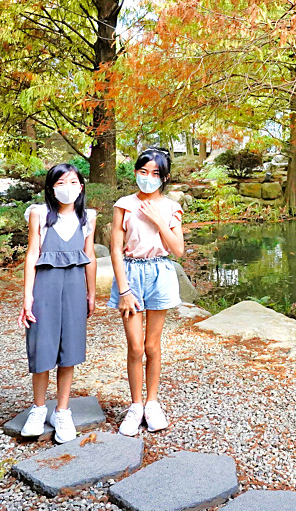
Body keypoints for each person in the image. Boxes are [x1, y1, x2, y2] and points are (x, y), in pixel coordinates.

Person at [17, 163, 98, 442]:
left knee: (70, 349)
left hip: (75, 288)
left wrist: (91, 293)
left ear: (81, 186)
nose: (68, 188)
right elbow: (31, 255)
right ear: (51, 188)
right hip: (45, 288)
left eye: (73, 182)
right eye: (61, 183)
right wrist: (27, 296)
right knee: (42, 347)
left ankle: (62, 410)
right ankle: (39, 409)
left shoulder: (88, 217)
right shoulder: (39, 214)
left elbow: (90, 257)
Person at [109, 148, 184, 436]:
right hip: (131, 274)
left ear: (164, 178)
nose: (148, 178)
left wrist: (158, 220)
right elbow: (115, 248)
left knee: (152, 346)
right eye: (143, 172)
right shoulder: (124, 204)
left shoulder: (171, 207)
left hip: (160, 274)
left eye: (155, 174)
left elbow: (177, 249)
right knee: (135, 347)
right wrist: (124, 289)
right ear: (136, 172)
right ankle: (135, 405)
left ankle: (152, 403)